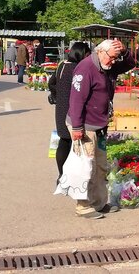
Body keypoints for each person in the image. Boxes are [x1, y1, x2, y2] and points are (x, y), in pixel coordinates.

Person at [67, 39, 135, 219]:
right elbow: (76, 100)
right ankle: (83, 205)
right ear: (101, 52)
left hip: (100, 125)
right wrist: (76, 127)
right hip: (85, 125)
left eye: (116, 58)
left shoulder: (108, 66)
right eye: (112, 58)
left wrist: (124, 50)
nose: (114, 62)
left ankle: (98, 203)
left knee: (101, 166)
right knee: (86, 167)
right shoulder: (85, 68)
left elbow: (130, 64)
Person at [48, 42, 91, 183]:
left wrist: (57, 95)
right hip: (73, 109)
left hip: (61, 108)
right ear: (82, 54)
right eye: (87, 55)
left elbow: (51, 83)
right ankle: (74, 176)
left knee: (64, 140)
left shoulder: (62, 65)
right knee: (75, 142)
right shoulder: (78, 68)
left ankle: (61, 175)